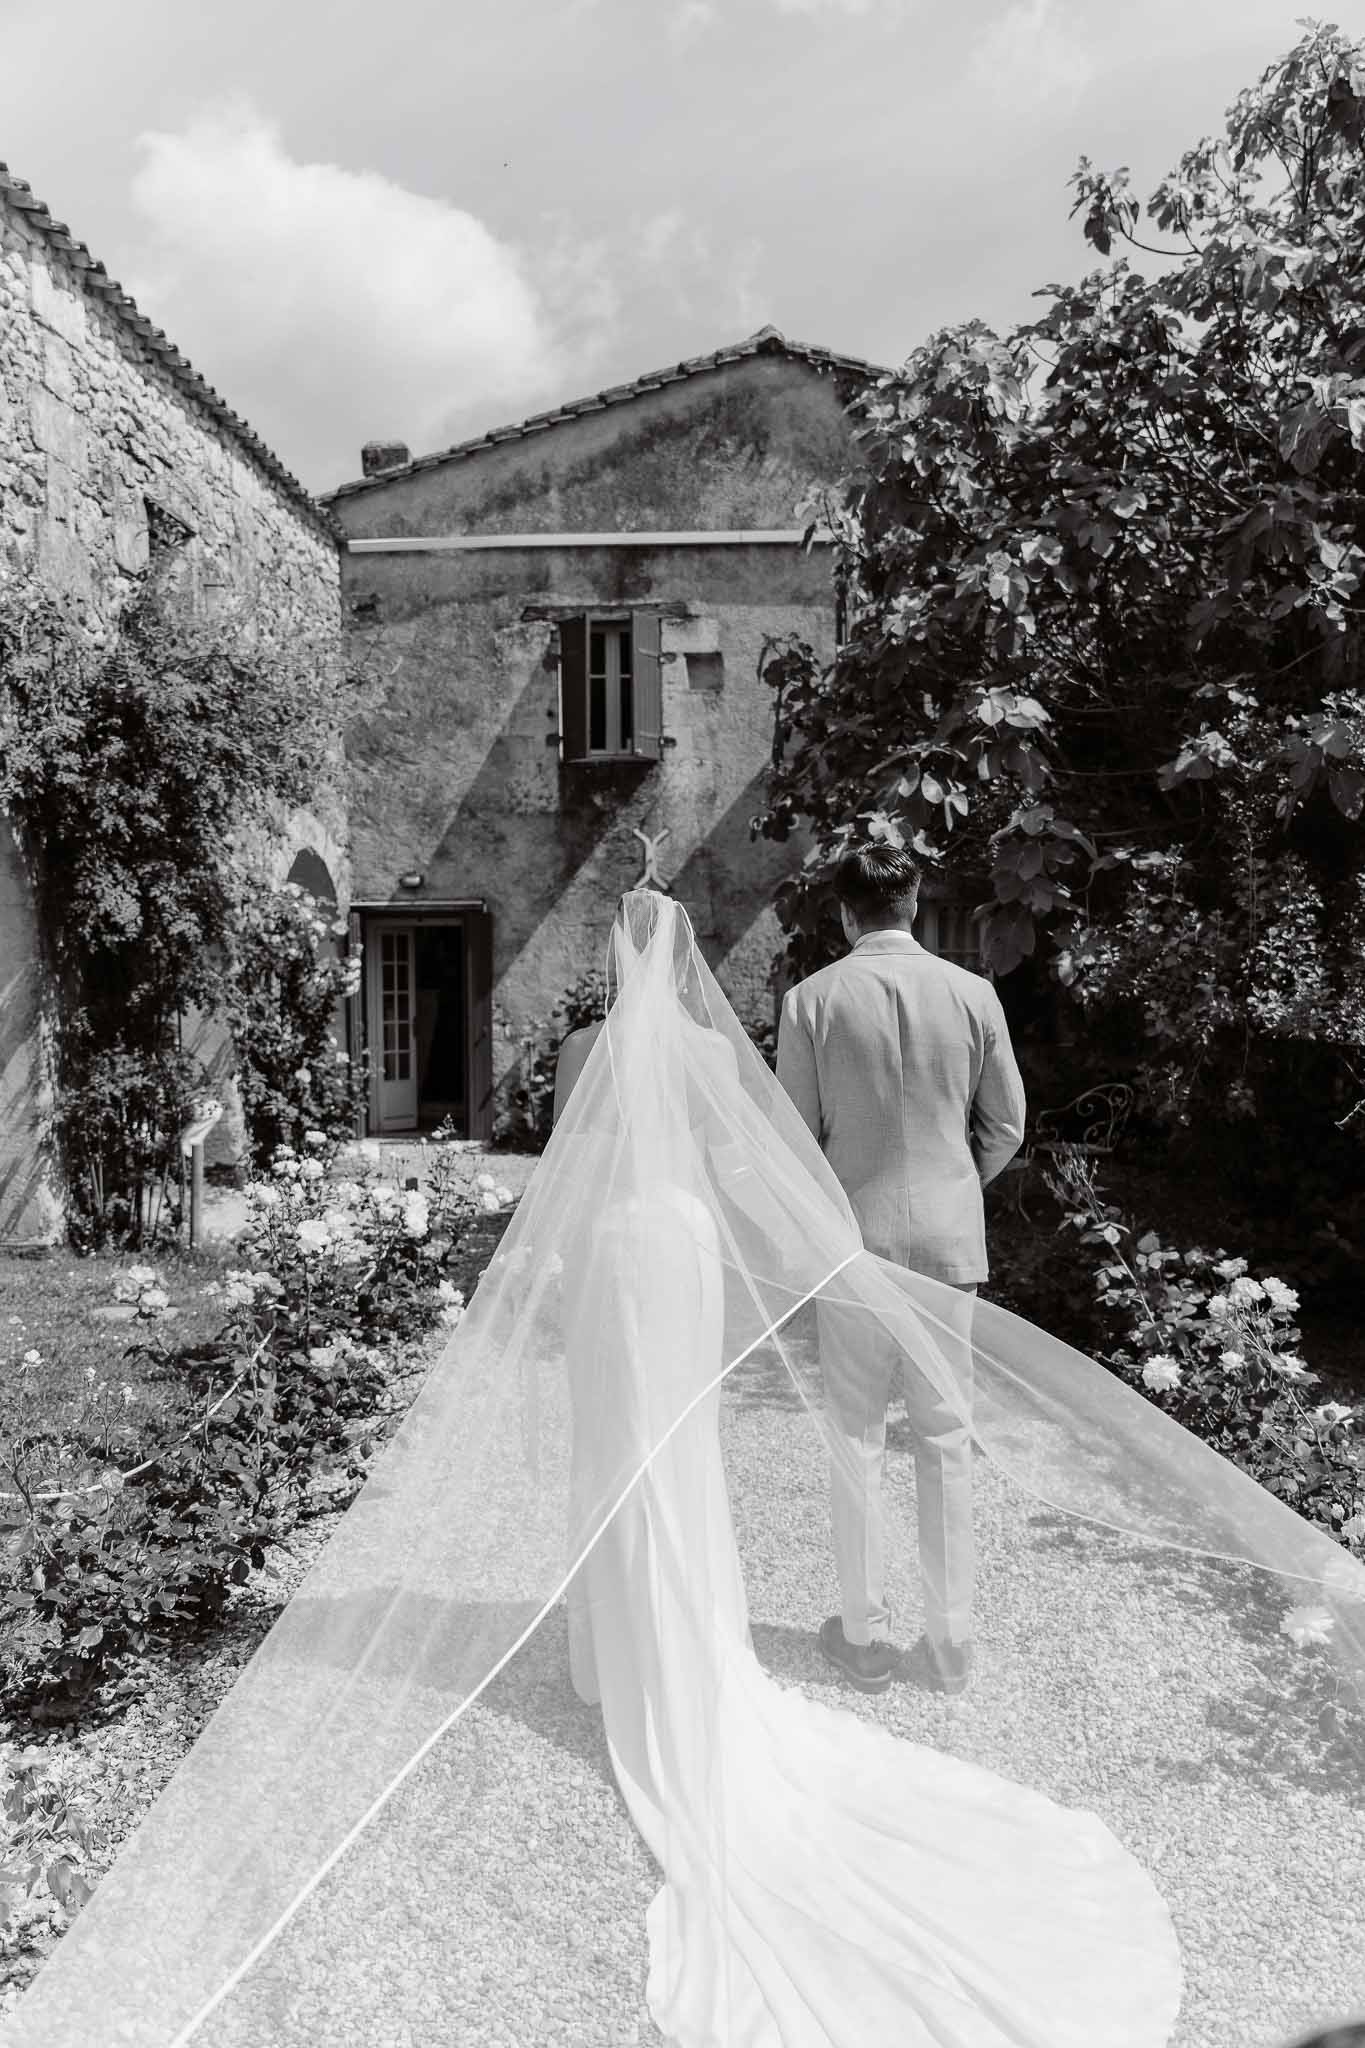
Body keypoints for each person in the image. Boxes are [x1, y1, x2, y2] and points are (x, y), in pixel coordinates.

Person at [776, 845, 1026, 1696]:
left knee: (855, 1436)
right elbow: (1006, 1128)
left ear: (844, 914)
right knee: (944, 1441)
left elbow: (793, 1140)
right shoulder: (973, 993)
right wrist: (956, 1192)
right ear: (913, 903)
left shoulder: (809, 1001)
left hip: (852, 1246)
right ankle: (950, 1643)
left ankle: (863, 1632)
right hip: (949, 1248)